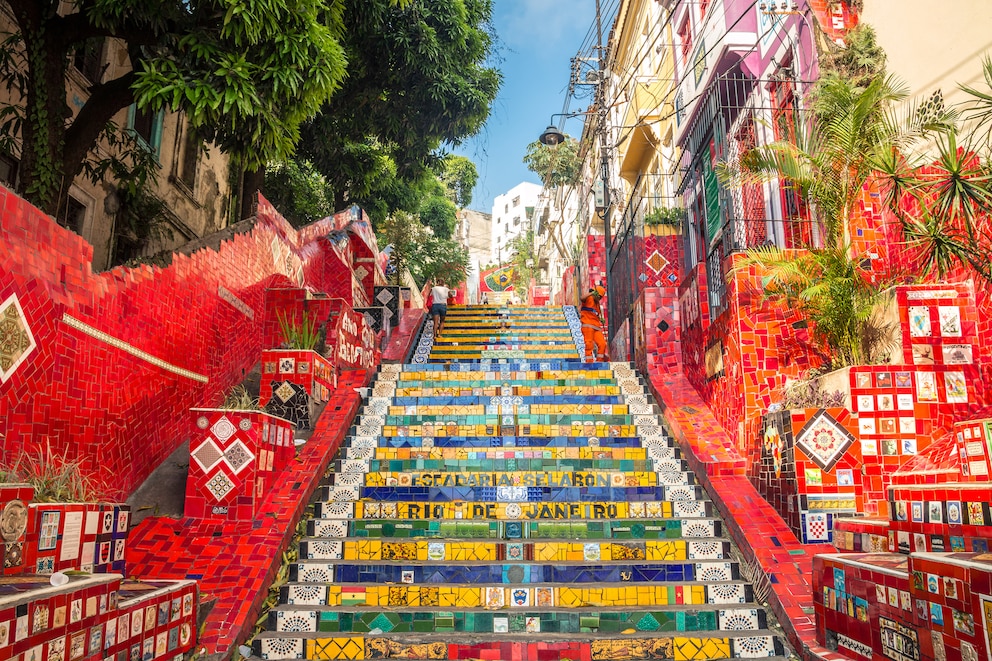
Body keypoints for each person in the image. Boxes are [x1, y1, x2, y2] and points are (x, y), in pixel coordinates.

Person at [579, 285, 608, 362]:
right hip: (587, 325)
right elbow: (581, 298)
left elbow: (596, 314)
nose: (599, 298)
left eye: (600, 297)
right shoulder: (588, 298)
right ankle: (589, 362)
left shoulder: (598, 305)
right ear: (595, 293)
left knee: (602, 344)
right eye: (598, 296)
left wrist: (601, 319)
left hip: (596, 327)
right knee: (589, 344)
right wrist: (591, 293)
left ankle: (599, 361)